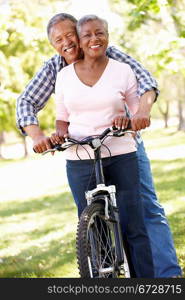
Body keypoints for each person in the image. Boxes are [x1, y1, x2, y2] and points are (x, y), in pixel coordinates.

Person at [16, 13, 182, 278]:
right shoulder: (56, 68)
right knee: (93, 223)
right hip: (82, 150)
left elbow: (146, 82)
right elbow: (27, 102)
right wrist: (38, 137)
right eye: (58, 40)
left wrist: (141, 113)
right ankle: (104, 277)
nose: (67, 43)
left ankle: (166, 276)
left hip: (121, 142)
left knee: (145, 208)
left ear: (80, 33)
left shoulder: (109, 53)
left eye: (71, 35)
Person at [51, 14, 154, 278]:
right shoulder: (63, 75)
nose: (94, 39)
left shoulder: (122, 70)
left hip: (120, 152)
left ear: (108, 36)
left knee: (134, 226)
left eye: (100, 33)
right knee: (92, 229)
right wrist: (58, 134)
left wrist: (130, 118)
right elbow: (61, 118)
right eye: (87, 35)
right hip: (79, 156)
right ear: (80, 41)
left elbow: (135, 110)